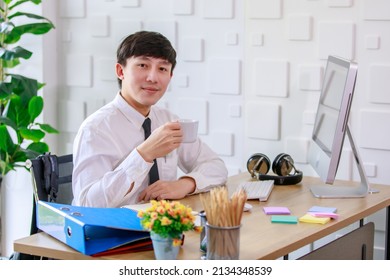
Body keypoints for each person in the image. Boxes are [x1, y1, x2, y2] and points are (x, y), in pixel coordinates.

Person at [72, 31, 228, 208]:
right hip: (116, 232)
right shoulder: (96, 129)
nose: (153, 78)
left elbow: (216, 167)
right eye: (143, 65)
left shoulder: (168, 120)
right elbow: (87, 204)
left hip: (165, 228)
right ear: (120, 71)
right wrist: (144, 154)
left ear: (170, 77)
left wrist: (185, 184)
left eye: (162, 69)